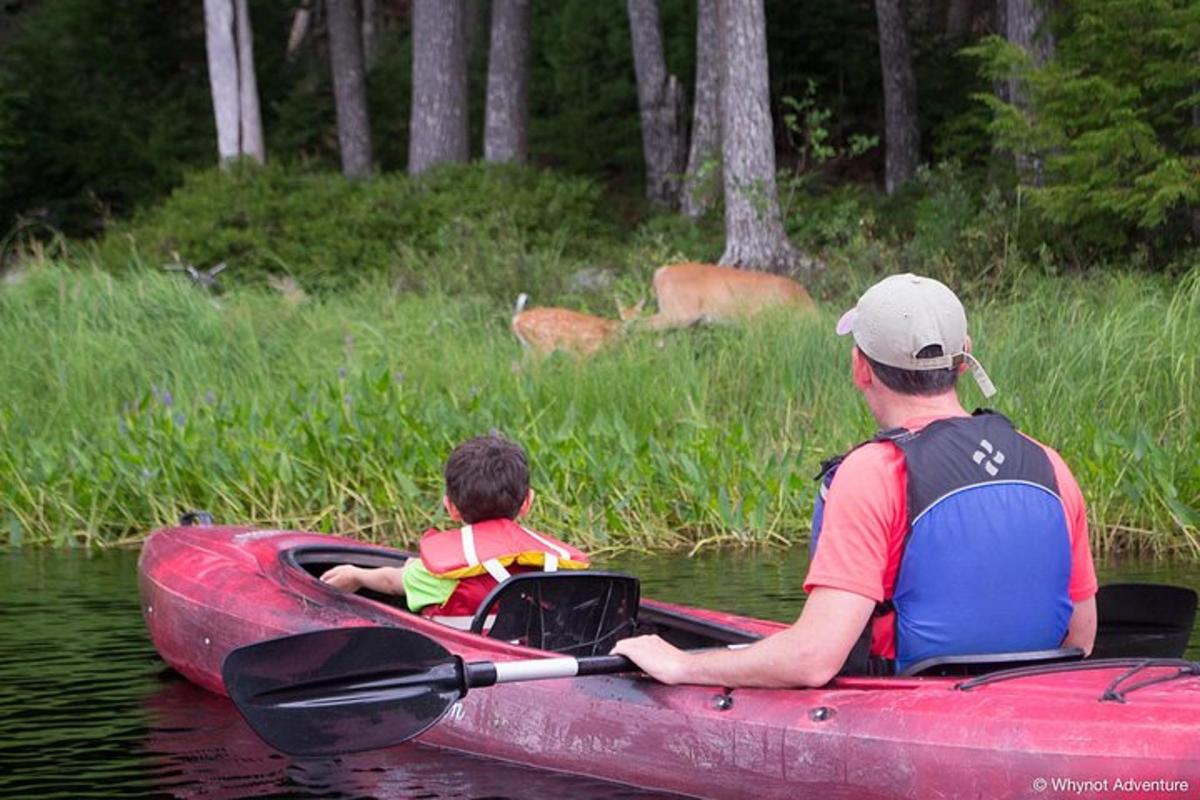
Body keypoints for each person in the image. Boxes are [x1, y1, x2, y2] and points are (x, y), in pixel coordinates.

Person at [613, 273, 1097, 686]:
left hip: (908, 708)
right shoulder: (1048, 463)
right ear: (963, 358)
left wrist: (680, 665)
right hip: (1029, 694)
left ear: (860, 367)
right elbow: (1080, 639)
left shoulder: (873, 473)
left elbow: (814, 660)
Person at [321, 433, 589, 628]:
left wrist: (356, 575)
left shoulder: (436, 572)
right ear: (528, 502)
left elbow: (392, 582)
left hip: (471, 666)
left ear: (450, 507)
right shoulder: (554, 564)